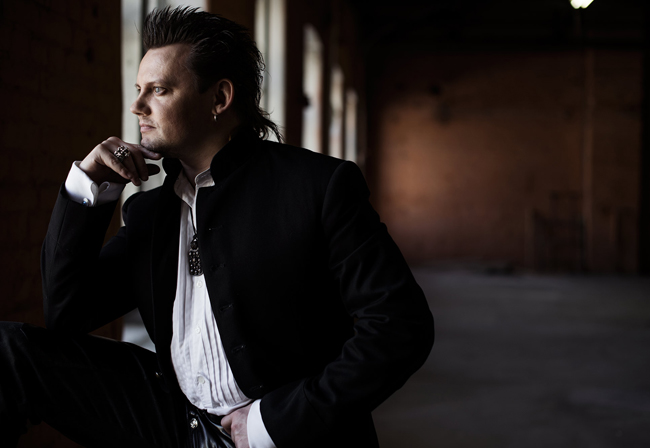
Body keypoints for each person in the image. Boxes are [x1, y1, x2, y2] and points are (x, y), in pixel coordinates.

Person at [0, 6, 433, 448]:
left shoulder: (317, 186)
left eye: (159, 90)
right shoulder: (151, 213)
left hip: (282, 429)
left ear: (219, 98)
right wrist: (88, 187)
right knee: (11, 352)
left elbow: (400, 326)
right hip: (177, 418)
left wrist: (273, 423)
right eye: (138, 89)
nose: (137, 106)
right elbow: (67, 313)